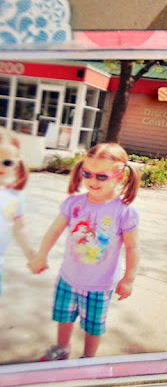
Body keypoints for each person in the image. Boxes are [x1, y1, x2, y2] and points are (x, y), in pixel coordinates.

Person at [29, 143, 141, 360]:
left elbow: (133, 247)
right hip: (68, 278)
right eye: (87, 174)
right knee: (64, 317)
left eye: (101, 176)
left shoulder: (124, 213)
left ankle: (88, 358)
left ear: (120, 176)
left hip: (99, 285)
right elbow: (54, 231)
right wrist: (41, 255)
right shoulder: (74, 204)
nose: (92, 181)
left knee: (93, 326)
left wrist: (129, 278)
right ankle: (62, 347)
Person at [0, 129, 34, 295]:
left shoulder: (15, 197)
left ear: (16, 162)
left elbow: (19, 228)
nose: (0, 166)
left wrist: (30, 253)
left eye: (7, 162)